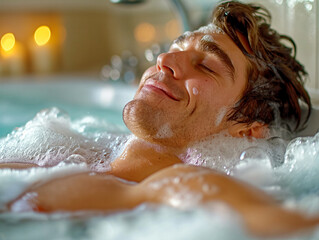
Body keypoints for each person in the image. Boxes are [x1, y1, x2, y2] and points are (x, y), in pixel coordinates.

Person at [1, 0, 317, 237]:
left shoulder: (181, 186)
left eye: (206, 66)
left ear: (247, 130)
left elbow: (287, 225)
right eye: (172, 48)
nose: (164, 60)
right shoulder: (68, 149)